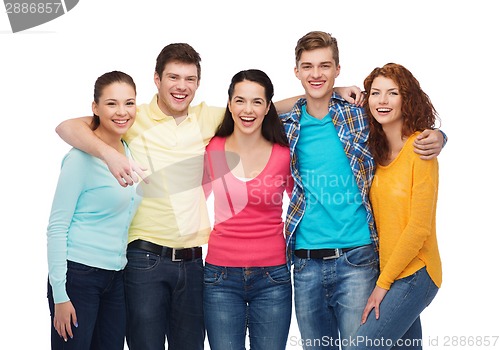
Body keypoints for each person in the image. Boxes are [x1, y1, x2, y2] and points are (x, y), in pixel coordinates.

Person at [54, 43, 364, 350]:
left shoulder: (210, 120)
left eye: (189, 79)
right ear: (157, 80)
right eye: (173, 78)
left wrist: (330, 92)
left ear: (198, 84)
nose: (181, 86)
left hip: (196, 262)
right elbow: (67, 127)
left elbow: (263, 106)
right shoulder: (134, 116)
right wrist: (110, 155)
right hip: (145, 257)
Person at [279, 31, 446, 350]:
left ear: (338, 68)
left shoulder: (359, 114)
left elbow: (403, 122)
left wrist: (439, 136)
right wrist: (327, 92)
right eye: (308, 67)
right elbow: (255, 109)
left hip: (357, 258)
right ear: (296, 71)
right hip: (304, 263)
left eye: (325, 66)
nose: (317, 74)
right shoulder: (288, 123)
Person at [46, 71, 141, 350]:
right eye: (111, 104)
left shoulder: (129, 149)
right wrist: (60, 295)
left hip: (116, 277)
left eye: (129, 103)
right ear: (95, 108)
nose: (122, 112)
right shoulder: (79, 158)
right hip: (78, 277)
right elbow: (56, 227)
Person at [352, 63, 441, 350]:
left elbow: (418, 228)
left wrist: (383, 284)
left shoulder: (421, 150)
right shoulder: (375, 153)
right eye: (376, 93)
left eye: (392, 93)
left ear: (407, 99)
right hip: (390, 271)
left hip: (416, 273)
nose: (383, 100)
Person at [202, 69, 293, 350]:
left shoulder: (283, 154)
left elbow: (305, 206)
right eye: (240, 101)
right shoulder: (213, 149)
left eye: (257, 102)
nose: (247, 109)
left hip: (273, 277)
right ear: (229, 105)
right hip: (219, 277)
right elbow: (191, 201)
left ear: (268, 108)